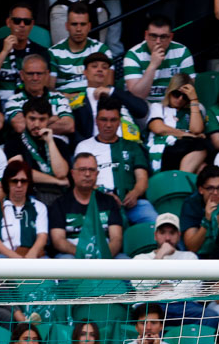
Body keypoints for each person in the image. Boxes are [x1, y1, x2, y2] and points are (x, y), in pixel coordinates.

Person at [74, 97, 155, 226]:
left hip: (133, 204)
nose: (108, 125)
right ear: (96, 121)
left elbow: (142, 179)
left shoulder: (132, 146)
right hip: (98, 202)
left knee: (159, 225)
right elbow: (81, 179)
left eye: (113, 120)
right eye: (103, 120)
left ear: (119, 122)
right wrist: (105, 196)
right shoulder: (84, 146)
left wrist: (135, 193)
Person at [48, 152, 124, 259]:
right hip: (73, 256)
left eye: (92, 170)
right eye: (82, 170)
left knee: (125, 261)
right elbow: (58, 240)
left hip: (104, 255)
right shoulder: (60, 203)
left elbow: (116, 238)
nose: (87, 174)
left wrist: (102, 255)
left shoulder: (109, 201)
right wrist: (83, 254)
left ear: (97, 174)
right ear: (73, 173)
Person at [72, 52, 148, 143]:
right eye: (94, 66)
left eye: (104, 67)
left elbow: (142, 110)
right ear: (85, 72)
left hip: (128, 147)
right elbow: (73, 133)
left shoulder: (118, 94)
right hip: (95, 149)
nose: (100, 70)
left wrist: (111, 91)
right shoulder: (77, 101)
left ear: (108, 73)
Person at [0, 1, 49, 101]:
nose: (22, 25)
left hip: (28, 104)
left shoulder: (40, 52)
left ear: (32, 24)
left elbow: (45, 85)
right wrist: (4, 52)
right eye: (17, 21)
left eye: (27, 22)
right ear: (9, 23)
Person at [5, 97, 71, 195]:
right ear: (24, 118)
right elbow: (19, 172)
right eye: (32, 119)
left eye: (42, 119)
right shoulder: (14, 143)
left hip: (58, 197)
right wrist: (56, 181)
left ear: (49, 119)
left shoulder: (59, 143)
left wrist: (50, 142)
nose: (36, 124)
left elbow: (61, 173)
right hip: (30, 195)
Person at [123, 14, 193, 104]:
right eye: (153, 36)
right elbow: (138, 96)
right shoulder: (133, 55)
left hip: (173, 105)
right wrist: (153, 65)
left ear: (170, 37)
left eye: (163, 37)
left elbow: (189, 90)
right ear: (146, 35)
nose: (158, 42)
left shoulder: (182, 52)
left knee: (200, 108)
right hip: (143, 107)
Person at [0, 159, 48, 259]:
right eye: (14, 181)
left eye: (23, 181)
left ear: (29, 183)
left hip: (32, 257)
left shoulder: (39, 207)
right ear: (7, 183)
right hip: (4, 257)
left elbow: (42, 236)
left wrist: (31, 255)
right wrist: (16, 259)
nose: (19, 185)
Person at [145, 77, 208, 175]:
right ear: (169, 92)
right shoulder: (158, 107)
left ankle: (181, 179)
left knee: (203, 152)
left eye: (185, 96)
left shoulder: (194, 109)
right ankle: (182, 179)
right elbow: (158, 128)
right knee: (201, 145)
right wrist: (187, 135)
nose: (180, 99)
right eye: (176, 94)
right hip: (165, 150)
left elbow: (196, 130)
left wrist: (194, 100)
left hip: (186, 151)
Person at [1, 53, 74, 137]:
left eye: (39, 73)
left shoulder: (59, 97)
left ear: (47, 74)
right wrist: (54, 118)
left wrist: (32, 124)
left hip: (58, 146)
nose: (35, 78)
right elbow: (20, 126)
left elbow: (69, 126)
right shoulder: (14, 100)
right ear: (22, 75)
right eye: (30, 74)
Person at [47, 2, 106, 101]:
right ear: (67, 26)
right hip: (64, 103)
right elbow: (49, 89)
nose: (78, 29)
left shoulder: (101, 49)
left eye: (83, 24)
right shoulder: (53, 52)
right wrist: (70, 98)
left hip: (93, 101)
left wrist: (81, 99)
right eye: (74, 24)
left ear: (89, 26)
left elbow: (106, 86)